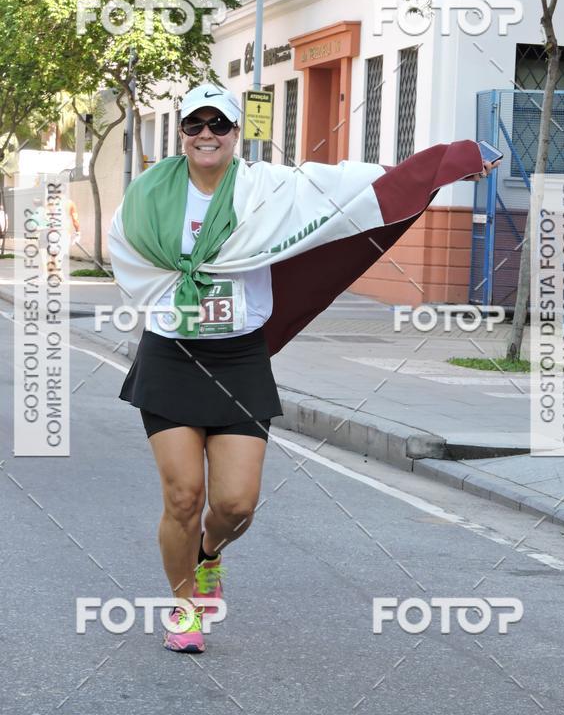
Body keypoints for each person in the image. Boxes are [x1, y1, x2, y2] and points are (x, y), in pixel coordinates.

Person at [108, 82, 499, 654]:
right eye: (196, 124)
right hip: (172, 354)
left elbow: (353, 185)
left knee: (236, 504)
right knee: (184, 495)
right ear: (182, 133)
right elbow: (127, 249)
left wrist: (444, 167)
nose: (207, 135)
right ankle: (184, 606)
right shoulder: (148, 193)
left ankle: (208, 553)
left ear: (236, 133)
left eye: (219, 124)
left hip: (239, 356)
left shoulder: (269, 188)